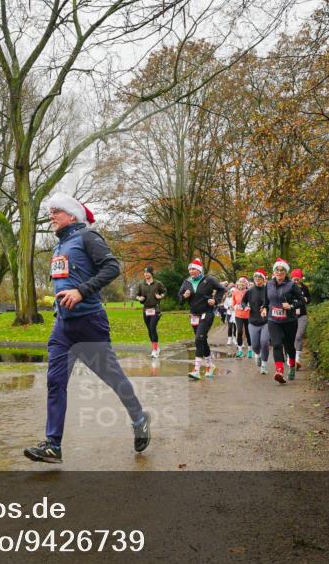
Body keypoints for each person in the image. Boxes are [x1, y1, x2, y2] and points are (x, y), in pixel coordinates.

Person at [24, 193, 150, 464]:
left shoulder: (87, 236)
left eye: (56, 211)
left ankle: (139, 418)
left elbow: (112, 267)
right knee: (55, 381)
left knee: (113, 378)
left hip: (89, 322)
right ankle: (53, 445)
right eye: (50, 211)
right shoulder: (60, 246)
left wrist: (81, 292)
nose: (51, 215)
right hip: (62, 326)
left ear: (72, 215)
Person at [177, 259, 225, 380]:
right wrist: (184, 296)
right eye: (190, 269)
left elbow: (221, 289)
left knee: (199, 338)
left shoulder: (208, 280)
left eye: (193, 269)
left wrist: (215, 300)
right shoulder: (186, 282)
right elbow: (179, 297)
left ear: (199, 270)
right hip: (194, 315)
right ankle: (210, 365)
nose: (191, 271)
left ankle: (197, 369)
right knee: (201, 340)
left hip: (207, 313)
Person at [265, 258, 304, 384]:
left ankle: (292, 366)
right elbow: (266, 301)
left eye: (282, 270)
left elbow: (302, 301)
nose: (279, 272)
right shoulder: (269, 284)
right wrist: (263, 309)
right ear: (274, 271)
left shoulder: (291, 285)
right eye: (277, 269)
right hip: (273, 320)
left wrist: (291, 306)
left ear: (286, 272)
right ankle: (279, 371)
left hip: (289, 321)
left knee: (289, 346)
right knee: (276, 344)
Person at [135, 265, 166, 358]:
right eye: (144, 273)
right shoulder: (141, 284)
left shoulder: (158, 284)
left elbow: (164, 291)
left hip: (155, 309)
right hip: (146, 309)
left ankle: (154, 351)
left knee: (152, 328)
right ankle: (156, 347)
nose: (146, 274)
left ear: (151, 273)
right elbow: (137, 295)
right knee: (149, 330)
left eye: (147, 273)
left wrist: (160, 296)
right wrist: (139, 298)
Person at [245, 268, 270, 374]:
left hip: (266, 322)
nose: (257, 280)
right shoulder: (250, 291)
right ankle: (258, 355)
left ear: (264, 279)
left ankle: (264, 365)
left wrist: (266, 308)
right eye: (256, 278)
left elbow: (272, 302)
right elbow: (243, 302)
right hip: (253, 322)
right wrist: (245, 306)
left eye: (260, 278)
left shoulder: (268, 290)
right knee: (255, 345)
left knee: (264, 343)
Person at [291, 269, 311, 369]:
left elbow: (309, 298)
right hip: (290, 316)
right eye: (294, 278)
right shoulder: (288, 287)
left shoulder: (304, 288)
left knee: (298, 336)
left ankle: (297, 359)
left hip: (302, 315)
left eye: (298, 278)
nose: (296, 280)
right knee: (290, 337)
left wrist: (306, 299)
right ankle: (290, 356)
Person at [231, 277, 251, 358]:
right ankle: (239, 350)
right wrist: (234, 306)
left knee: (248, 332)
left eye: (243, 283)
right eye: (240, 283)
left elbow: (252, 301)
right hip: (238, 314)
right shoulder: (235, 292)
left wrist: (248, 306)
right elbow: (233, 302)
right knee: (239, 330)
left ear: (246, 284)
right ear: (238, 284)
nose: (241, 284)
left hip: (248, 315)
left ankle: (250, 350)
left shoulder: (249, 292)